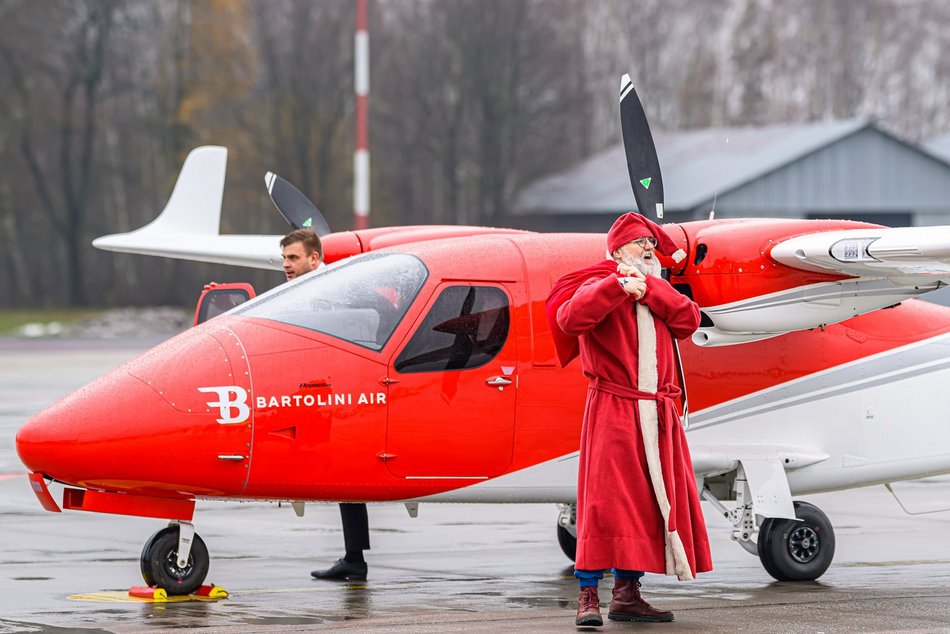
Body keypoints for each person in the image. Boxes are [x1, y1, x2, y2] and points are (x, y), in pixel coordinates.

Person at [546, 212, 712, 627]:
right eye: (640, 243)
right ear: (618, 248)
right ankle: (588, 596)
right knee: (604, 503)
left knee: (643, 503)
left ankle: (627, 593)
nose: (647, 250)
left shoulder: (656, 286)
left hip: (655, 412)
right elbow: (570, 318)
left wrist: (651, 290)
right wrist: (617, 287)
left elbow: (689, 319)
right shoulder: (596, 283)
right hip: (615, 408)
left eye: (651, 245)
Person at [279, 229, 372, 581]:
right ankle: (354, 559)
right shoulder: (305, 289)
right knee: (343, 479)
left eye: (294, 258)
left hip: (342, 399)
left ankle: (354, 559)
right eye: (285, 258)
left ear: (314, 259)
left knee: (345, 477)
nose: (287, 265)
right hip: (326, 397)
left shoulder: (328, 294)